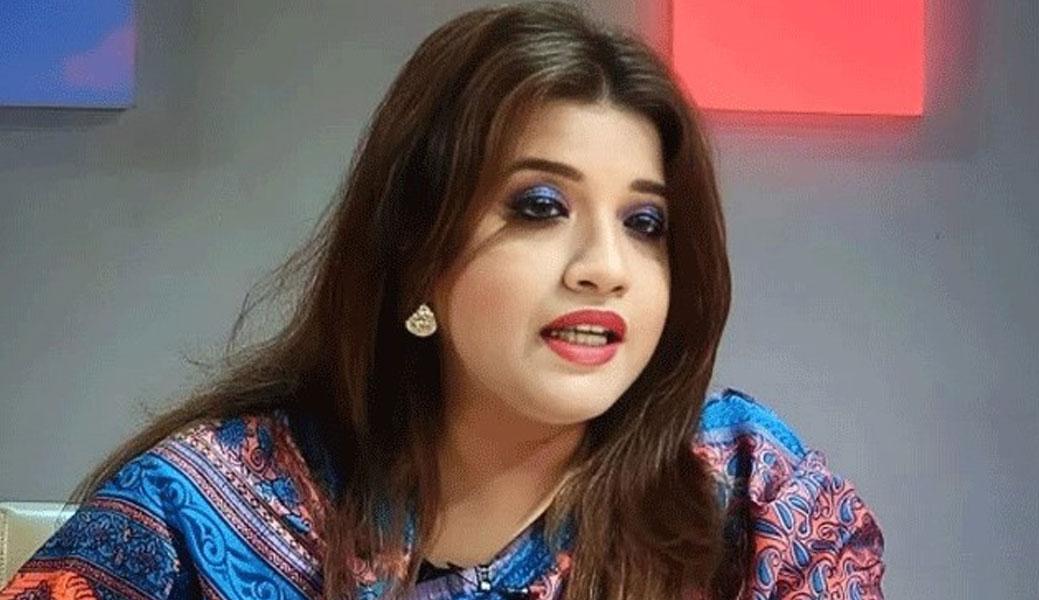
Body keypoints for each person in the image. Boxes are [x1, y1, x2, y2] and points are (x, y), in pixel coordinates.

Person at [0, 2, 885, 599]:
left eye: (645, 222)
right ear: (418, 253)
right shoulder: (203, 513)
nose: (605, 267)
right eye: (541, 207)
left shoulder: (750, 497)